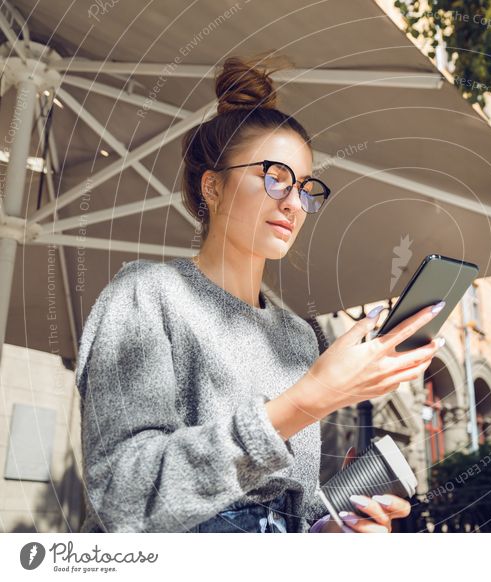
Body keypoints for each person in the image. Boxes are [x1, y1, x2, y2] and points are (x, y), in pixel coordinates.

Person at [75, 52, 446, 533]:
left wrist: (335, 531)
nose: (294, 203)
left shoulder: (297, 335)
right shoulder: (146, 294)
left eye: (306, 188)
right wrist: (309, 398)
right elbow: (124, 497)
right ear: (213, 187)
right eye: (274, 177)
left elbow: (296, 506)